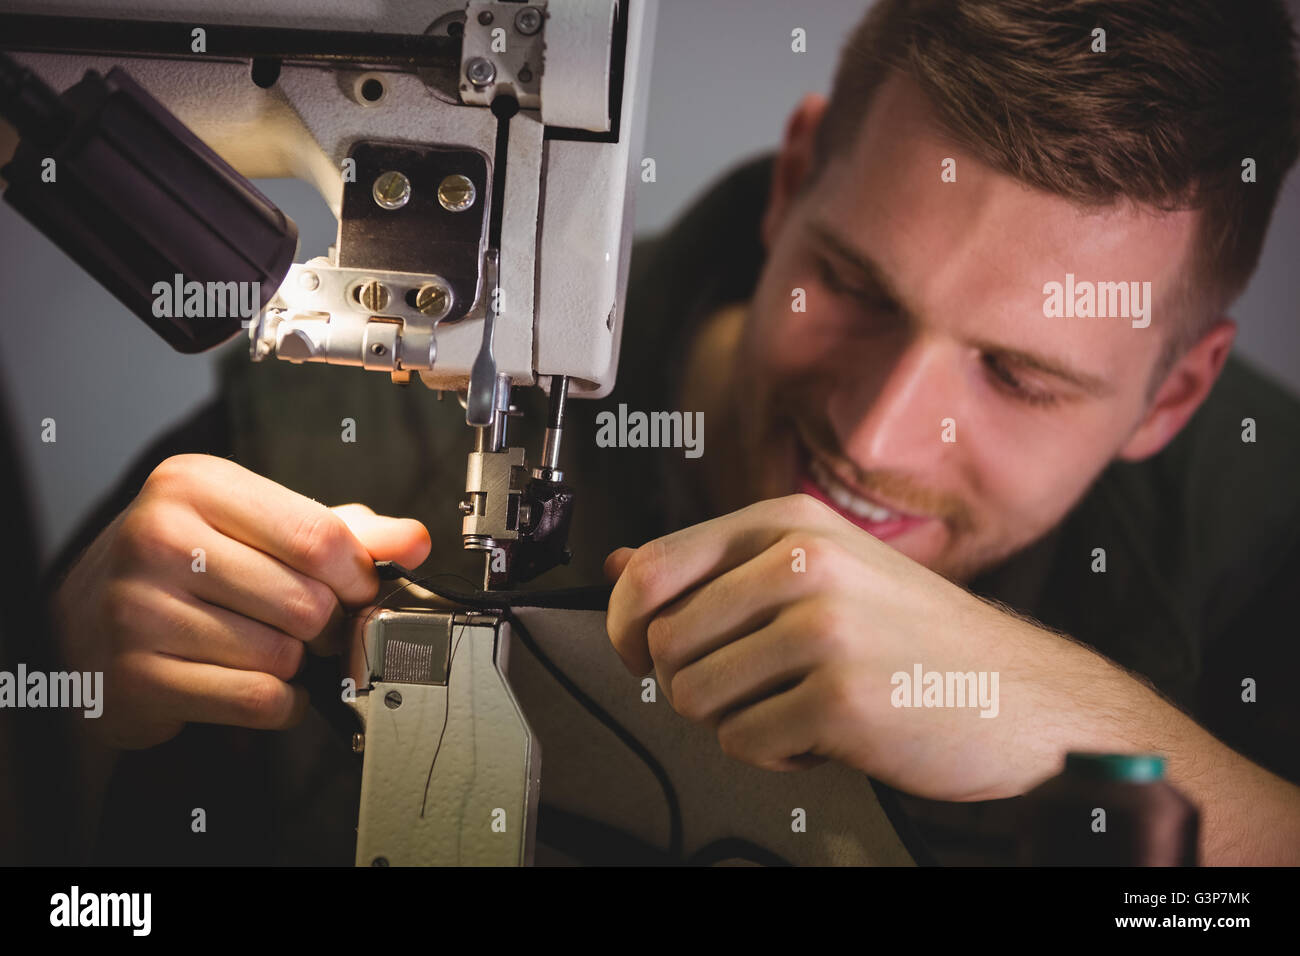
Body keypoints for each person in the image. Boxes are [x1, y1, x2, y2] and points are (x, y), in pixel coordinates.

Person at [41, 0, 1300, 864]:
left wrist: (1082, 729)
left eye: (1020, 375)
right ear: (796, 173)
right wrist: (59, 712)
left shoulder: (1260, 532)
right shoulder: (341, 433)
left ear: (1177, 392)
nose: (879, 431)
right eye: (855, 289)